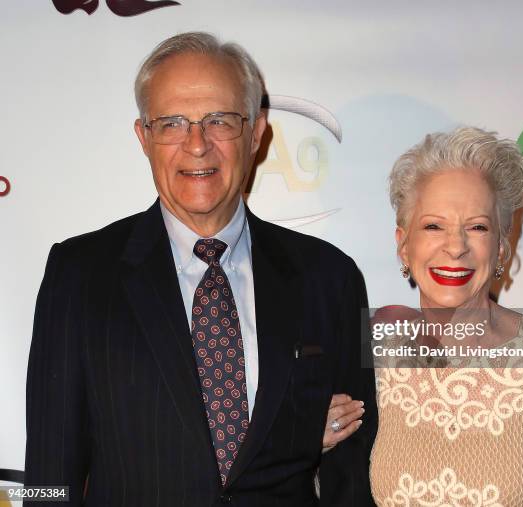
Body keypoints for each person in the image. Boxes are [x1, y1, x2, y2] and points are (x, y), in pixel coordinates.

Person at [24, 32, 377, 506]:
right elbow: (49, 479)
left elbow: (350, 477)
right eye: (171, 123)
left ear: (256, 132)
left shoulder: (330, 278)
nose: (196, 144)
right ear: (143, 137)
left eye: (219, 121)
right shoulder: (80, 275)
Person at [336, 127, 523, 505]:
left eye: (477, 227)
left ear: (500, 248)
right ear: (403, 245)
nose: (455, 247)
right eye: (434, 226)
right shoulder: (370, 353)